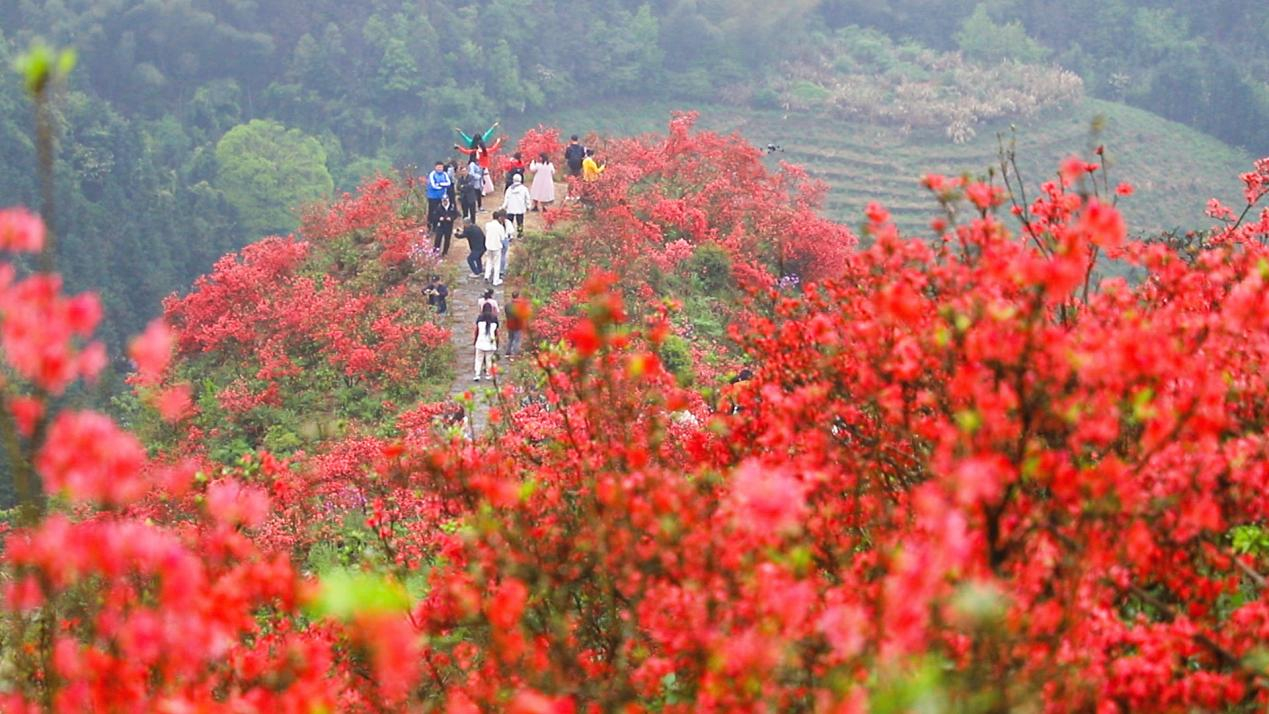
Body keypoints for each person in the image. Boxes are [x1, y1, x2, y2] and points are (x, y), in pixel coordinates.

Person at [473, 303, 499, 381]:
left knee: (478, 359)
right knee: (489, 360)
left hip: (480, 342)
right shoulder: (494, 318)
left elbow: (477, 331)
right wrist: (497, 343)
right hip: (490, 343)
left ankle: (477, 374)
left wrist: (475, 341)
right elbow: (496, 333)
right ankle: (488, 374)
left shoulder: (480, 318)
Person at [483, 210, 507, 286]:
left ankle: (487, 276)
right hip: (496, 247)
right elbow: (503, 238)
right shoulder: (500, 227)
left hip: (488, 246)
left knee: (489, 261)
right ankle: (495, 280)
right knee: (497, 264)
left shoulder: (487, 225)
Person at [504, 291, 531, 357]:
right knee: (517, 340)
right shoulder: (521, 305)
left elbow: (506, 314)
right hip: (518, 325)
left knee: (510, 338)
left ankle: (508, 352)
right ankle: (514, 354)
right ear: (518, 296)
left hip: (510, 324)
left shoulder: (508, 305)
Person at [498, 209, 516, 277]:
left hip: (502, 240)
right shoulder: (507, 222)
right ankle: (501, 270)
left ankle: (499, 270)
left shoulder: (505, 222)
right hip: (502, 240)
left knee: (500, 256)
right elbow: (511, 232)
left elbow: (511, 232)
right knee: (502, 256)